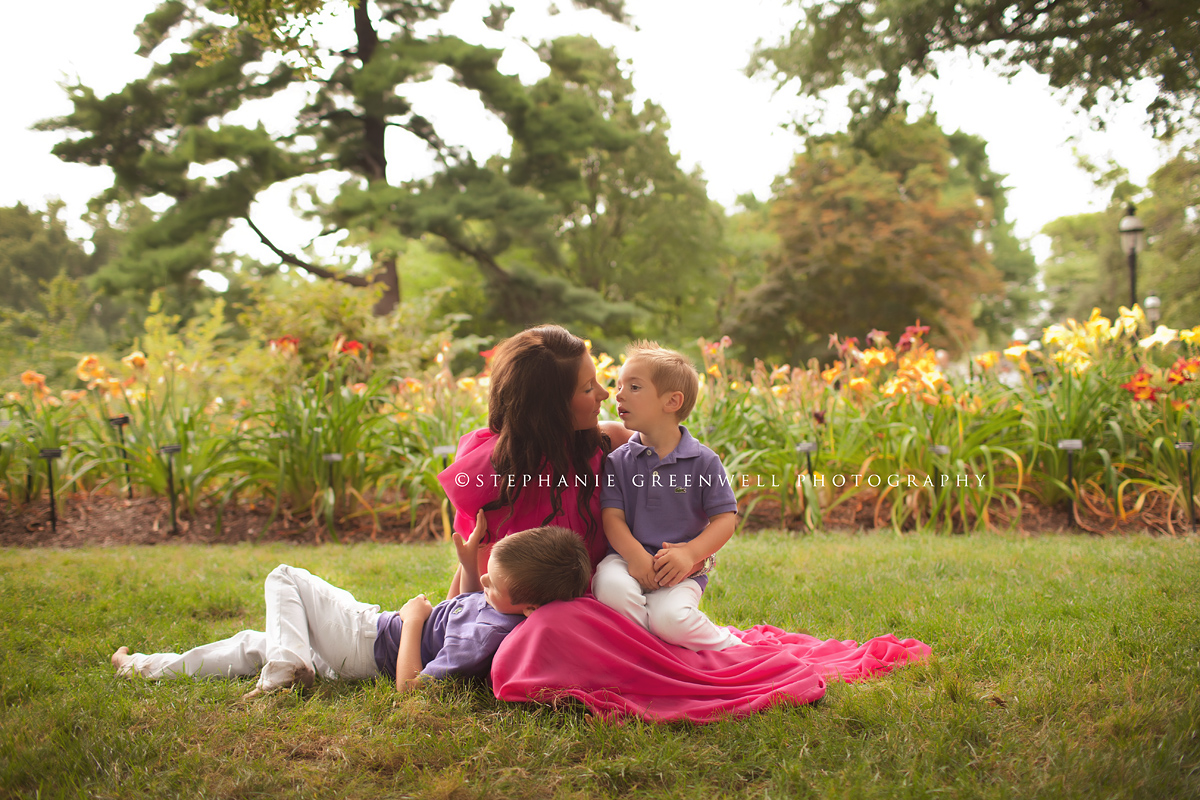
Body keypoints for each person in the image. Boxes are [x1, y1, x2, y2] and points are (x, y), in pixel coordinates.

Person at [111, 510, 592, 698]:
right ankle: (141, 667)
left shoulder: (489, 634)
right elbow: (458, 612)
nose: (485, 578)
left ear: (527, 607)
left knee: (285, 578)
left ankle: (284, 666)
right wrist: (468, 569)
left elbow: (411, 688)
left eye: (494, 581)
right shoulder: (498, 611)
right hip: (353, 655)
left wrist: (411, 620)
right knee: (249, 643)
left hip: (368, 640)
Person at [592, 341, 742, 650]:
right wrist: (634, 556)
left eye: (634, 387)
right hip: (625, 559)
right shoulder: (619, 460)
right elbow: (612, 516)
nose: (618, 394)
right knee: (610, 588)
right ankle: (650, 654)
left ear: (672, 401)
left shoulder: (704, 461)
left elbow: (725, 520)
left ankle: (732, 648)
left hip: (679, 571)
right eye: (620, 385)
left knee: (671, 620)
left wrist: (690, 554)